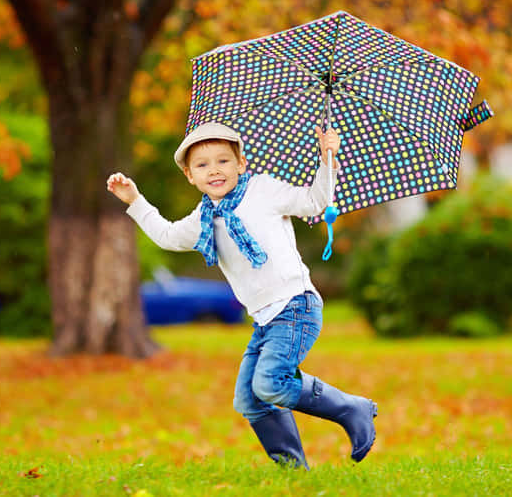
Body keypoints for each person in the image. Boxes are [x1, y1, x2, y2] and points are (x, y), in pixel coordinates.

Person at [106, 122, 377, 469]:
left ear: (241, 164)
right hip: (265, 319)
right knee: (249, 399)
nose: (214, 170)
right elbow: (168, 236)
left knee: (271, 384)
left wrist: (328, 160)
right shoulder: (204, 217)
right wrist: (135, 200)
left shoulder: (262, 190)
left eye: (223, 161)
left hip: (295, 305)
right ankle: (293, 470)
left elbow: (314, 201)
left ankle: (351, 408)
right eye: (202, 165)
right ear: (190, 176)